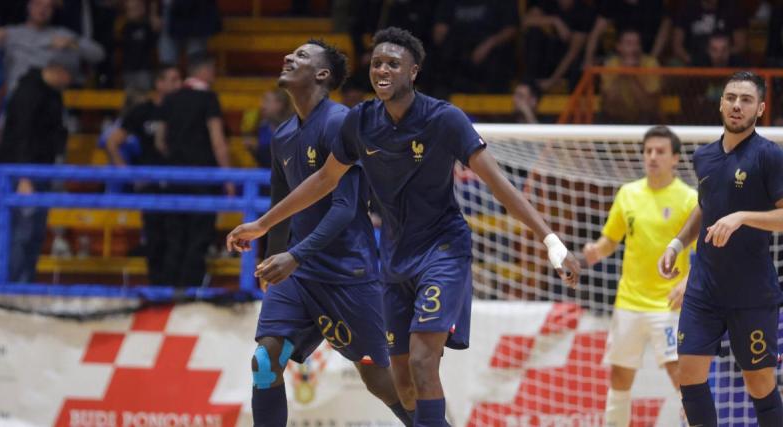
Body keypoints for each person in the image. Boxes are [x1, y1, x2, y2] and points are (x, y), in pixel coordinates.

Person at [227, 27, 580, 425]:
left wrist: (550, 239)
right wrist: (262, 225)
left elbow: (496, 182)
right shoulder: (360, 122)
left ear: (413, 72)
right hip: (394, 258)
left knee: (422, 362)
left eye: (393, 64)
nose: (383, 70)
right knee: (401, 382)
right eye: (377, 63)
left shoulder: (443, 118)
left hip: (438, 251)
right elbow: (323, 180)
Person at [248, 39, 411, 427]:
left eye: (302, 55)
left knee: (381, 383)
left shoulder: (340, 122)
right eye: (290, 53)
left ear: (322, 75)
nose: (289, 57)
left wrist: (293, 256)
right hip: (297, 275)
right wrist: (272, 260)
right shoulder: (283, 133)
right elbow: (279, 204)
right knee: (265, 359)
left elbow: (345, 209)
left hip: (346, 273)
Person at [658, 71, 783, 426]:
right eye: (731, 98)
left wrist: (742, 216)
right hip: (704, 289)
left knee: (759, 384)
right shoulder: (704, 157)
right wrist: (678, 241)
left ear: (760, 109)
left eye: (745, 100)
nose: (737, 106)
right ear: (720, 103)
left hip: (752, 292)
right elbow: (706, 205)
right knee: (689, 375)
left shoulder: (769, 156)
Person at [582, 126, 697, 427]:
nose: (652, 157)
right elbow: (610, 241)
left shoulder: (689, 199)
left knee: (682, 375)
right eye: (648, 151)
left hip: (670, 305)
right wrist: (595, 251)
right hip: (629, 302)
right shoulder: (628, 194)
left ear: (675, 159)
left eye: (660, 151)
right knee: (619, 376)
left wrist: (688, 281)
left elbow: (705, 253)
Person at [155, 55, 232, 287]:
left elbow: (160, 141)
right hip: (203, 176)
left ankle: (166, 289)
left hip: (174, 175)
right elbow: (218, 140)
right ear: (205, 71)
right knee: (199, 235)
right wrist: (227, 177)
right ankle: (190, 289)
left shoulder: (170, 98)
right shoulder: (208, 98)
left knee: (174, 233)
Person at [0, 61, 72, 282]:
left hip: (42, 170)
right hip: (23, 173)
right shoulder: (28, 92)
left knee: (35, 232)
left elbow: (56, 132)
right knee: (22, 231)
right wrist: (23, 176)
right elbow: (20, 134)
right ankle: (9, 286)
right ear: (58, 71)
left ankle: (25, 283)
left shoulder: (53, 94)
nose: (70, 83)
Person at [105, 64, 182, 285]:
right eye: (173, 79)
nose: (178, 84)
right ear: (159, 83)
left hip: (179, 181)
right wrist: (128, 174)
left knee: (176, 235)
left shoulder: (182, 109)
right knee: (154, 235)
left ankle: (174, 287)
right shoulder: (142, 110)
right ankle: (157, 286)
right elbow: (113, 142)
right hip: (150, 182)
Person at [0, 0, 104, 92]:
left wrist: (74, 43)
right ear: (29, 5)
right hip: (18, 100)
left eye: (47, 7)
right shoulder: (12, 33)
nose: (42, 10)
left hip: (49, 101)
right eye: (38, 4)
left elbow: (98, 54)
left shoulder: (61, 34)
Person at [599, 28, 661, 125]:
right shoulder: (611, 64)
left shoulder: (650, 63)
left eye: (637, 44)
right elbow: (608, 104)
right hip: (615, 117)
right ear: (618, 47)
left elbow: (648, 106)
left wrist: (632, 75)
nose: (634, 48)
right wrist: (622, 73)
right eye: (629, 44)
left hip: (644, 118)